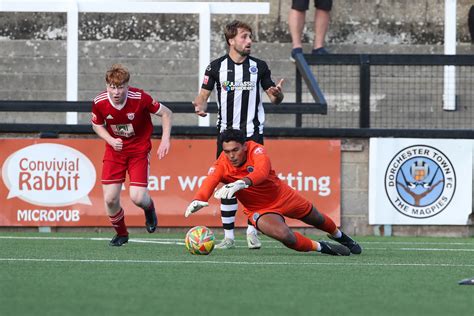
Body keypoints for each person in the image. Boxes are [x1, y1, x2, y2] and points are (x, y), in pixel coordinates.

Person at [184, 129, 362, 256]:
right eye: (227, 151)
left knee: (317, 218)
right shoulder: (221, 164)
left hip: (283, 196)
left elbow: (261, 171)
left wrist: (241, 183)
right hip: (259, 210)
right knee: (286, 236)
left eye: (235, 150)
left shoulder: (256, 149)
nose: (231, 156)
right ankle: (322, 247)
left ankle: (343, 238)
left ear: (244, 146)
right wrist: (198, 198)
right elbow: (209, 181)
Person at [192, 20, 284, 250]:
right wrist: (200, 105)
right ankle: (229, 237)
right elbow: (203, 94)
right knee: (227, 184)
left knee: (254, 185)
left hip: (252, 136)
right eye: (244, 37)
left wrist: (277, 95)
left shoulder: (259, 67)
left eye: (250, 37)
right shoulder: (215, 67)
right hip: (226, 137)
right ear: (231, 40)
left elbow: (273, 98)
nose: (249, 41)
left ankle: (253, 231)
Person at [91, 63, 172, 246]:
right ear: (107, 86)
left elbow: (166, 113)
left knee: (138, 197)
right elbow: (96, 124)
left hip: (138, 150)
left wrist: (165, 139)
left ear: (127, 86)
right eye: (112, 87)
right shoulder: (100, 102)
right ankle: (122, 234)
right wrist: (110, 140)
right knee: (110, 199)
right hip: (115, 151)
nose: (116, 92)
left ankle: (149, 208)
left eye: (120, 87)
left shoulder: (140, 98)